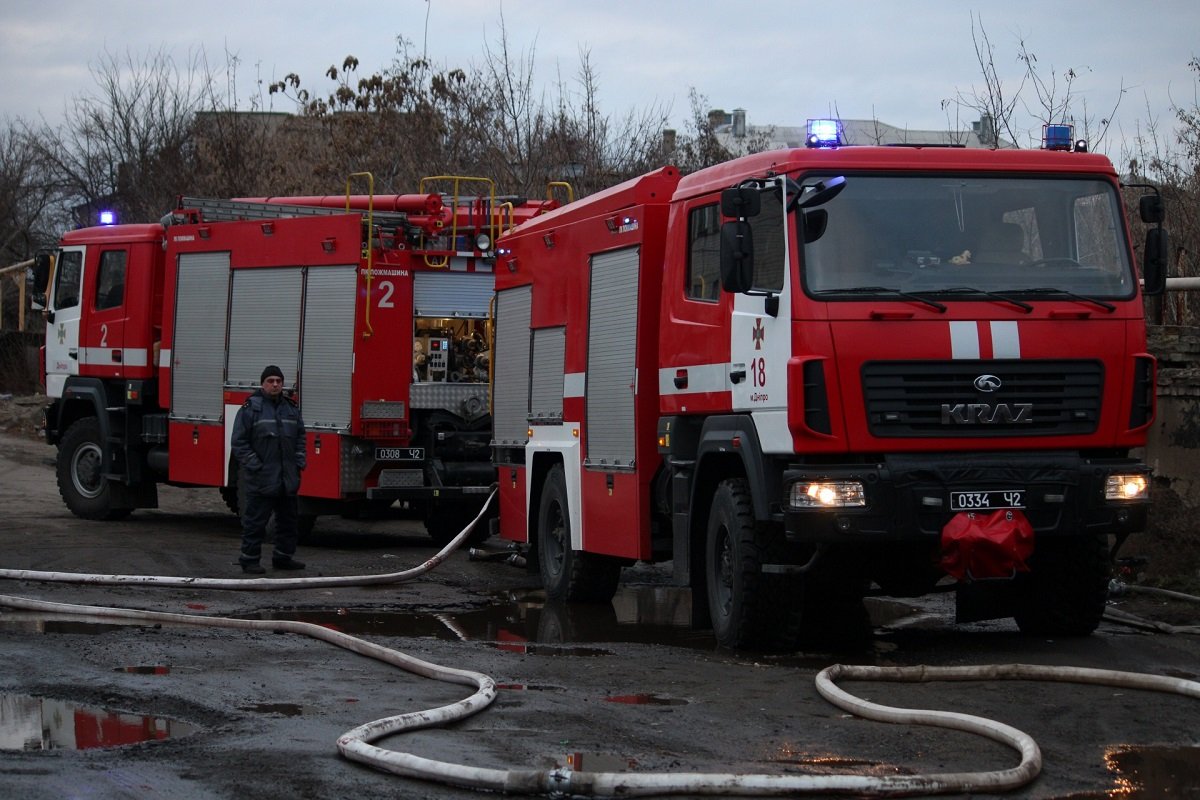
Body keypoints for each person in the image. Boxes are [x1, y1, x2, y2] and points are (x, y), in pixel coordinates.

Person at [231, 365, 308, 574]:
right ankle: (249, 560)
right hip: (262, 479)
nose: (275, 384)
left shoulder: (291, 409)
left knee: (288, 522)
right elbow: (239, 442)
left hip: (287, 478)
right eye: (271, 381)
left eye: (279, 381)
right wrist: (255, 465)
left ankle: (283, 557)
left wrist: (299, 461)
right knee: (255, 522)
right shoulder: (251, 409)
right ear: (262, 383)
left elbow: (301, 437)